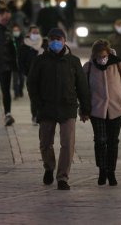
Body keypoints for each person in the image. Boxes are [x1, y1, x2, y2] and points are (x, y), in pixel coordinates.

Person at [27, 28, 91, 190]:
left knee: (67, 144)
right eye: (53, 39)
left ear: (64, 41)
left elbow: (82, 86)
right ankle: (49, 167)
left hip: (67, 107)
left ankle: (62, 177)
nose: (56, 42)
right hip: (46, 107)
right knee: (45, 143)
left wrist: (85, 108)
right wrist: (37, 105)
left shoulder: (73, 61)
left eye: (59, 39)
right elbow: (32, 84)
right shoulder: (40, 61)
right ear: (48, 41)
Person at [83, 40, 121, 186]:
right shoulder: (89, 67)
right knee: (100, 140)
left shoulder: (118, 64)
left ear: (109, 53)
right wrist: (84, 108)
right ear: (94, 55)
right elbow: (83, 88)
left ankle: (111, 172)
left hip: (116, 109)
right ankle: (102, 170)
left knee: (112, 141)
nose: (101, 59)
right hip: (96, 110)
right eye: (98, 56)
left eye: (104, 55)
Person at [20, 25, 44, 125]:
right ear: (29, 33)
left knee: (43, 96)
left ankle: (41, 115)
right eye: (33, 32)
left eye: (37, 33)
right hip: (31, 75)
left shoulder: (43, 44)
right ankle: (34, 116)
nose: (35, 34)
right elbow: (21, 61)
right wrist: (27, 73)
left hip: (43, 75)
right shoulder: (24, 46)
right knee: (34, 96)